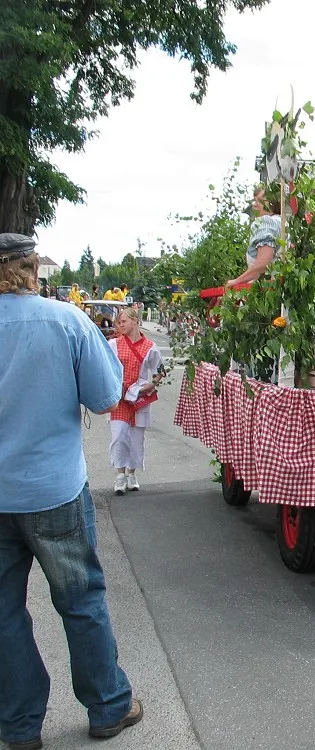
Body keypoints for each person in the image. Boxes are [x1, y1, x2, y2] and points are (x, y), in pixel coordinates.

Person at [0, 233, 143, 749]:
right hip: (53, 489)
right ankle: (107, 706)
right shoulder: (66, 320)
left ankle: (18, 726)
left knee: (2, 613)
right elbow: (106, 396)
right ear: (32, 269)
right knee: (81, 600)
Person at [108, 306, 165, 494]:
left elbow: (160, 370)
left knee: (136, 439)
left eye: (123, 321)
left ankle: (131, 474)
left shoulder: (150, 347)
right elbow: (105, 367)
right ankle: (119, 475)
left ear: (134, 321)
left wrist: (152, 385)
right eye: (119, 322)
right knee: (118, 436)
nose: (120, 325)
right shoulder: (114, 344)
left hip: (139, 397)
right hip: (120, 397)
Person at [226, 186, 282, 288]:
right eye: (254, 200)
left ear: (272, 204)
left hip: (266, 292)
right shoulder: (283, 223)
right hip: (281, 290)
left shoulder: (266, 222)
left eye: (260, 201)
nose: (254, 205)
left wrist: (236, 281)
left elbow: (263, 263)